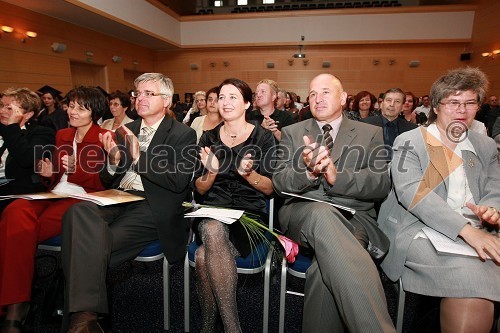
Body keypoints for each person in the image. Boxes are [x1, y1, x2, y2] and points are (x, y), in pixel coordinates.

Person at [61, 73, 197, 332]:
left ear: (166, 100)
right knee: (77, 212)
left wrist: (138, 155)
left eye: (149, 94)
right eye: (138, 94)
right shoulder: (125, 130)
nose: (141, 99)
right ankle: (86, 318)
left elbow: (178, 181)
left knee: (89, 242)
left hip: (151, 203)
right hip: (118, 197)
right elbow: (105, 178)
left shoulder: (183, 134)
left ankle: (83, 318)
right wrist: (112, 160)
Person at [378, 67, 500, 333]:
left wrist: (492, 209)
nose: (462, 110)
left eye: (470, 103)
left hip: (478, 229)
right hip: (417, 229)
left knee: (483, 273)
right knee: (474, 278)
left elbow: (495, 185)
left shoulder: (484, 145)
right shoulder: (410, 141)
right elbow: (414, 194)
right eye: (453, 102)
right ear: (435, 105)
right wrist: (468, 232)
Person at [273, 73, 395, 332]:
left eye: (325, 92)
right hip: (302, 214)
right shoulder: (292, 132)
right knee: (320, 212)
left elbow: (380, 184)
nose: (318, 99)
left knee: (323, 271)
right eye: (313, 94)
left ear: (342, 98)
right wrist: (307, 173)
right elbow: (280, 183)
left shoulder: (369, 133)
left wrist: (336, 176)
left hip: (355, 219)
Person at [0, 86, 110, 333]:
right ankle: (18, 300)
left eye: (81, 108)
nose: (73, 111)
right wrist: (49, 174)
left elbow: (103, 181)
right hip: (52, 194)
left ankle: (15, 307)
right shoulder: (61, 135)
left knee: (19, 232)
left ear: (95, 112)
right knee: (16, 210)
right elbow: (55, 178)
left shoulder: (104, 136)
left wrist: (75, 168)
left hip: (82, 199)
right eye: (71, 105)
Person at [193, 78, 275, 332]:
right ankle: (231, 327)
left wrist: (249, 175)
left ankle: (210, 326)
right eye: (222, 97)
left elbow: (271, 188)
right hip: (212, 210)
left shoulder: (263, 138)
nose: (225, 103)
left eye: (233, 97)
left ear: (247, 103)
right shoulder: (208, 137)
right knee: (213, 229)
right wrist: (212, 173)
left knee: (202, 256)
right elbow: (199, 188)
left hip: (249, 215)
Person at [0, 87, 55, 214]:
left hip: (16, 193)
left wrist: (12, 126)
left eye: (9, 108)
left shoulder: (42, 133)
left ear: (28, 114)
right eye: (1, 105)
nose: (1, 111)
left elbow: (26, 159)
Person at [362, 88, 417, 157]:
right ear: (381, 104)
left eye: (397, 101)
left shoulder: (411, 129)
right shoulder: (365, 125)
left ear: (402, 107)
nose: (392, 104)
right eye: (388, 100)